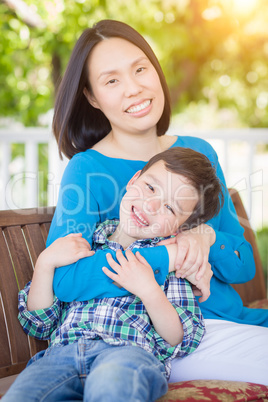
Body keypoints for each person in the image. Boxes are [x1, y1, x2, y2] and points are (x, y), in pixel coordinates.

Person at [41, 19, 268, 384]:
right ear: (92, 97)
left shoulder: (198, 152)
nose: (134, 88)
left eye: (140, 69)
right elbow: (65, 278)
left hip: (231, 322)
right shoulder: (87, 170)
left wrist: (206, 238)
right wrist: (171, 254)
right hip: (169, 339)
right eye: (112, 80)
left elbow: (243, 268)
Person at [3, 147, 223, 401]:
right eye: (151, 187)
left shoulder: (171, 263)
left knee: (113, 388)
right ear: (133, 181)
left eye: (170, 208)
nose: (150, 206)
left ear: (180, 228)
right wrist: (44, 264)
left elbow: (179, 339)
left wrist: (149, 291)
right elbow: (39, 323)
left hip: (128, 355)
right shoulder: (84, 245)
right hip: (61, 355)